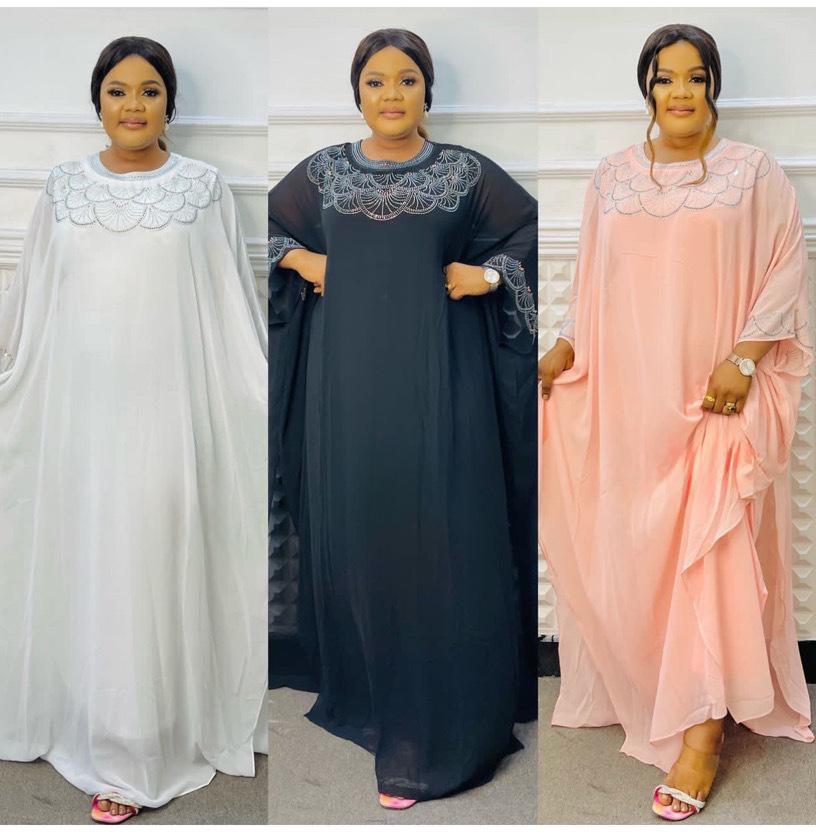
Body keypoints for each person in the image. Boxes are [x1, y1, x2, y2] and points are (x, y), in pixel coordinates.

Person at [539, 23, 814, 821]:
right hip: (631, 393)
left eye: (696, 76)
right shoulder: (612, 178)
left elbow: (785, 265)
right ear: (648, 88)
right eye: (666, 78)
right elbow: (593, 281)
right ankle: (662, 684)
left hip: (716, 395)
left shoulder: (753, 172)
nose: (682, 91)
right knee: (640, 551)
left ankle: (702, 732)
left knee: (712, 548)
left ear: (714, 85)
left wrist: (746, 358)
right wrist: (564, 346)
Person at [0, 36, 268, 823]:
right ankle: (88, 724)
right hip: (80, 419)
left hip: (166, 417)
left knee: (150, 562)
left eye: (150, 90)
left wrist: (262, 397)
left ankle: (139, 745)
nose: (133, 105)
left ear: (169, 103)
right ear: (97, 101)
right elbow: (31, 303)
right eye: (118, 90)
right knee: (87, 563)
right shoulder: (62, 187)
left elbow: (230, 307)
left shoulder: (203, 189)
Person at [268, 28, 538, 808]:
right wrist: (298, 257)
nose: (392, 93)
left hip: (441, 387)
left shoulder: (465, 174)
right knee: (365, 530)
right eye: (377, 81)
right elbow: (263, 228)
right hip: (346, 393)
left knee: (441, 533)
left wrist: (488, 274)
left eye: (408, 79)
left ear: (428, 91)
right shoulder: (322, 174)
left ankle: (434, 727)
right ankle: (373, 697)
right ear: (357, 92)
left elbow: (525, 235)